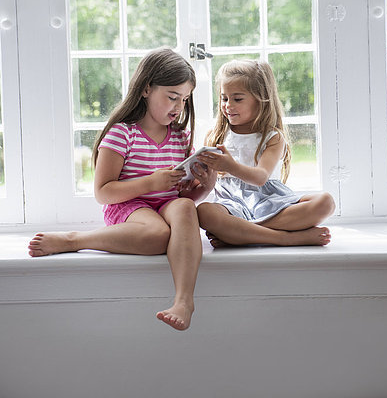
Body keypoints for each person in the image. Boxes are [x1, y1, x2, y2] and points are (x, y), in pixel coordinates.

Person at [28, 48, 216, 331]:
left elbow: (179, 196)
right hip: (129, 206)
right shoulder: (122, 133)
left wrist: (205, 186)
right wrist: (150, 183)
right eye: (172, 97)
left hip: (166, 205)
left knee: (187, 207)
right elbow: (103, 192)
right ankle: (75, 240)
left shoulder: (180, 136)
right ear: (145, 89)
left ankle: (184, 300)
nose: (178, 106)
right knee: (157, 235)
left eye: (184, 99)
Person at [196, 59, 335, 249]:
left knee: (325, 202)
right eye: (224, 98)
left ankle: (240, 233)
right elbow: (212, 184)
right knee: (204, 212)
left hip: (270, 203)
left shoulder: (273, 137)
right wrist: (204, 179)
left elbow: (261, 177)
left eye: (237, 99)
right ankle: (285, 238)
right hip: (231, 205)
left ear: (261, 99)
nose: (228, 105)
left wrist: (230, 166)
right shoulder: (216, 136)